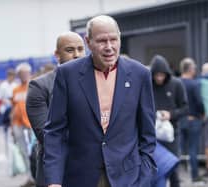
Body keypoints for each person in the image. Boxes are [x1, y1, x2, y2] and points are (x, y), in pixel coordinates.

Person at [44, 15, 157, 187]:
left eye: (114, 39)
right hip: (80, 177)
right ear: (88, 42)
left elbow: (147, 135)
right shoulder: (68, 74)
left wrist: (144, 178)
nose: (109, 47)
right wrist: (54, 180)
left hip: (128, 179)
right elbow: (54, 131)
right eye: (102, 41)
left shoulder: (140, 74)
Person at [26, 31, 86, 187]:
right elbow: (48, 136)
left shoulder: (97, 82)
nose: (77, 55)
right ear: (57, 55)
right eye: (70, 50)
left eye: (81, 49)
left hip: (90, 170)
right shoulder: (39, 87)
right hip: (57, 173)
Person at [150, 54, 188, 187]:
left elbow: (185, 107)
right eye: (156, 75)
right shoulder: (148, 84)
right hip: (152, 134)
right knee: (155, 170)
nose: (159, 78)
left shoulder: (176, 84)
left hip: (172, 134)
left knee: (173, 168)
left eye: (162, 75)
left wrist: (171, 114)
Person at [179, 58, 206, 185]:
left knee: (178, 150)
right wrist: (203, 113)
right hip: (194, 119)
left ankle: (175, 176)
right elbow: (199, 102)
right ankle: (194, 177)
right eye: (194, 68)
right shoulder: (195, 84)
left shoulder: (176, 82)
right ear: (190, 69)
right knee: (193, 150)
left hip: (180, 120)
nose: (195, 70)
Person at [11, 63, 35, 187]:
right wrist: (11, 127)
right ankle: (30, 177)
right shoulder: (15, 90)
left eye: (26, 73)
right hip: (17, 124)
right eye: (21, 73)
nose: (24, 75)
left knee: (36, 152)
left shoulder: (34, 86)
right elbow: (13, 108)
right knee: (24, 152)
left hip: (32, 124)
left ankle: (37, 176)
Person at [0, 69, 18, 156]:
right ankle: (7, 150)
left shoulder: (16, 85)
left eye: (13, 76)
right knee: (6, 130)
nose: (12, 77)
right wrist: (4, 101)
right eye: (10, 76)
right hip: (5, 110)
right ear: (8, 76)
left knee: (14, 130)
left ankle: (14, 150)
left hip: (13, 109)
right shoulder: (3, 85)